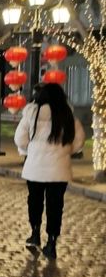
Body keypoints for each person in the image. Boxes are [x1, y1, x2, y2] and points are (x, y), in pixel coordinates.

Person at [14, 83, 85, 259]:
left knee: (35, 201)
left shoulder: (32, 113)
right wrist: (66, 150)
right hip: (59, 168)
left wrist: (30, 149)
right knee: (55, 205)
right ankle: (52, 242)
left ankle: (35, 232)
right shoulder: (68, 115)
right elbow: (79, 141)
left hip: (35, 167)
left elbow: (20, 139)